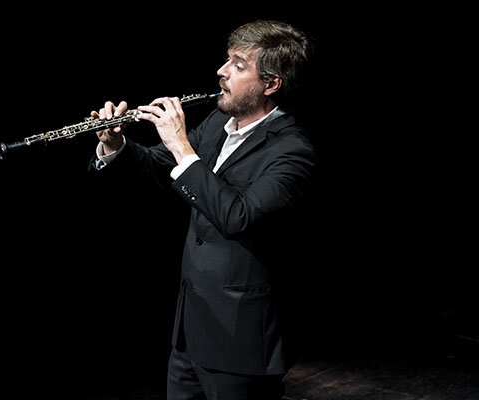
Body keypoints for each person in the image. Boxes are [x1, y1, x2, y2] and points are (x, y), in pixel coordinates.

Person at [90, 20, 315, 400]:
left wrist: (181, 146)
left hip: (239, 340)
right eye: (226, 60)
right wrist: (116, 143)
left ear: (271, 83)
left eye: (238, 65)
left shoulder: (292, 151)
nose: (221, 71)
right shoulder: (217, 124)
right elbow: (161, 167)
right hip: (190, 331)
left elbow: (236, 216)